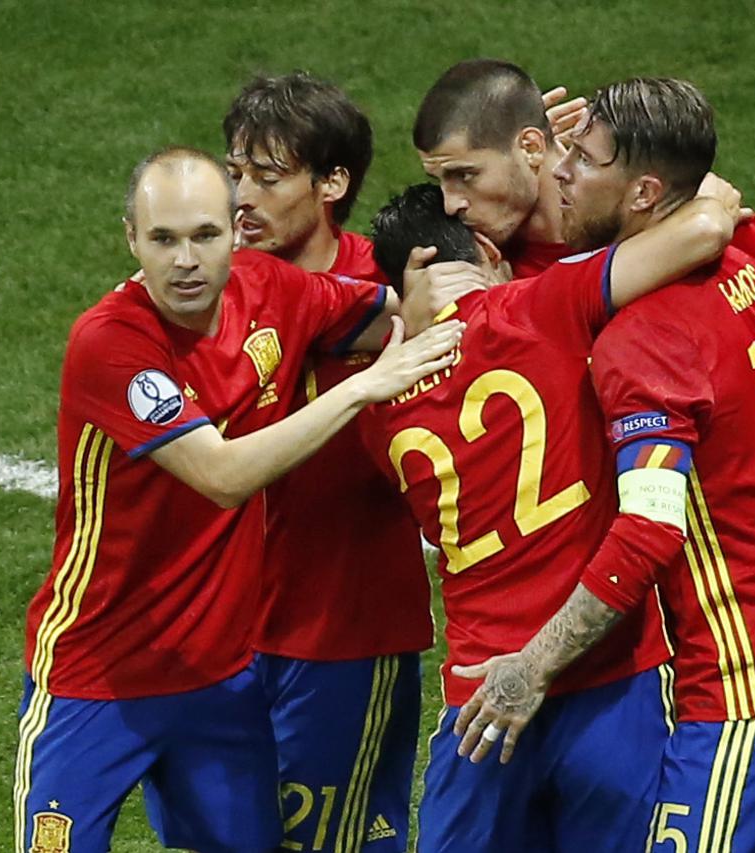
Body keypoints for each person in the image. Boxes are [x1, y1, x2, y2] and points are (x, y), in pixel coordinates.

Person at [13, 146, 460, 853]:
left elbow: (387, 316)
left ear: (234, 230)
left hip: (217, 680)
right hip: (95, 675)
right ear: (131, 238)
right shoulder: (111, 344)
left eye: (203, 235)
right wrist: (362, 386)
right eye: (162, 239)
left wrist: (433, 299)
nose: (184, 261)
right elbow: (220, 475)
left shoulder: (270, 289)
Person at [453, 78, 755, 853]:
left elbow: (651, 527)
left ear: (641, 191)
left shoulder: (642, 333)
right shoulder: (742, 271)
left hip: (738, 681)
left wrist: (532, 665)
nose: (558, 172)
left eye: (583, 159)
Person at [366, 172, 746, 853]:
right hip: (612, 681)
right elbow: (708, 215)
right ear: (485, 245)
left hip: (480, 703)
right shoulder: (542, 306)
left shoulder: (374, 406)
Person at [223, 71, 431, 852]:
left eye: (268, 177)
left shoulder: (391, 282)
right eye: (235, 172)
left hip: (344, 630)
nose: (243, 196)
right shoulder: (215, 280)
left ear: (332, 181)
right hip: (227, 630)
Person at [414, 58, 574, 275]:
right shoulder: (447, 268)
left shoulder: (623, 234)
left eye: (465, 175)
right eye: (439, 180)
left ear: (531, 148)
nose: (450, 206)